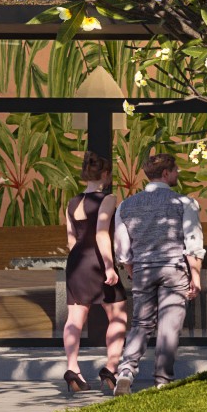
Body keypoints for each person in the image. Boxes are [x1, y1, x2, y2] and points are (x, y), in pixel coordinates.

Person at [109, 148, 205, 392]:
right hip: (174, 268)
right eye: (175, 170)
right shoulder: (184, 203)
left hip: (143, 269)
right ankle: (162, 380)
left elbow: (122, 248)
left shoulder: (127, 206)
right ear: (166, 173)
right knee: (169, 325)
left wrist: (132, 270)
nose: (177, 173)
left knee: (140, 323)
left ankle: (126, 371)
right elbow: (193, 242)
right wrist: (195, 276)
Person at [57, 153, 121, 399]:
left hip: (76, 263)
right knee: (117, 314)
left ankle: (73, 368)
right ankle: (110, 368)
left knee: (74, 318)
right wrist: (108, 266)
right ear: (104, 175)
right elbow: (102, 234)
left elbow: (71, 240)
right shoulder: (108, 198)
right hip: (97, 262)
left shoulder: (72, 203)